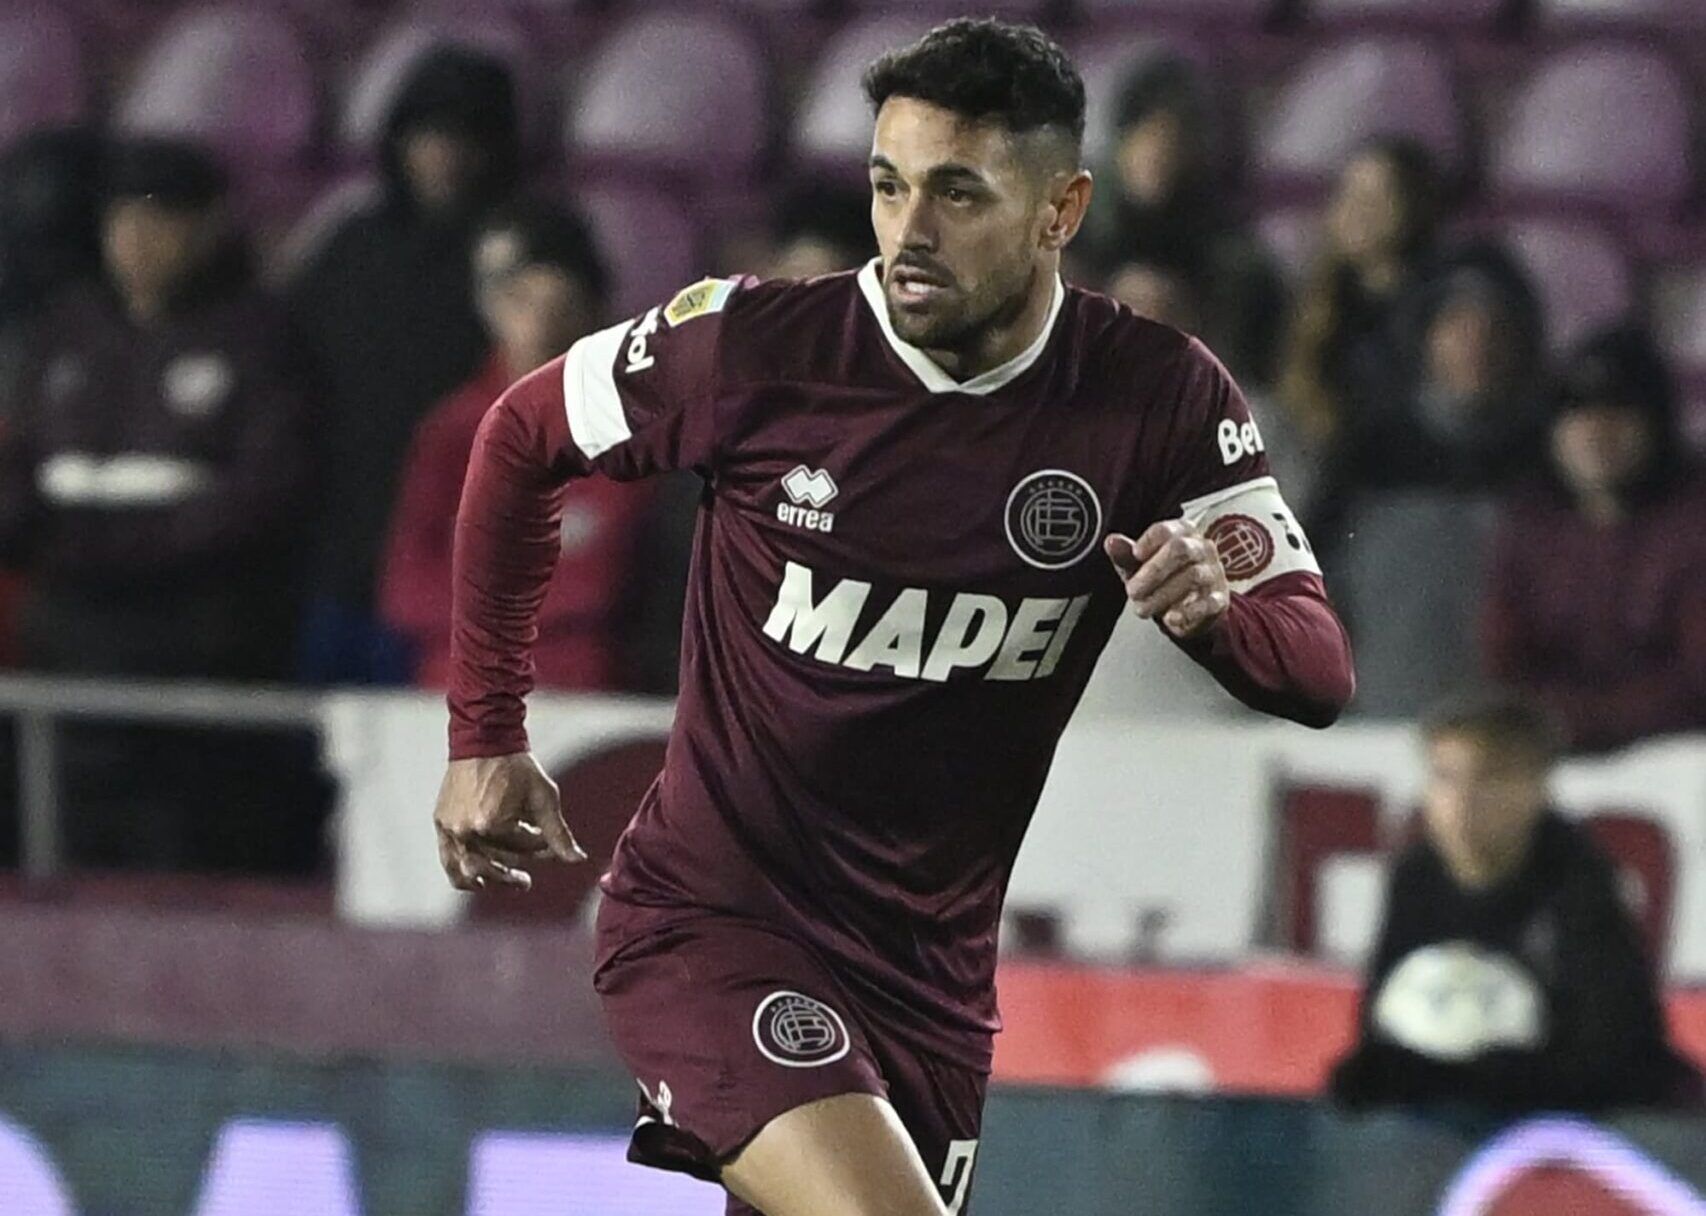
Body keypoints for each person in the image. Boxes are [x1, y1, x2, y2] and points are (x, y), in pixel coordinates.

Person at [432, 20, 1354, 1216]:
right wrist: (485, 733)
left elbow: (1317, 668)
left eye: (957, 194)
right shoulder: (756, 346)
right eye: (887, 184)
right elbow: (521, 434)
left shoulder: (1157, 396)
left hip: (928, 982)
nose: (909, 231)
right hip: (717, 922)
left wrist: (1220, 619)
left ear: (1059, 210)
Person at [0, 138, 321, 870]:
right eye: (122, 219)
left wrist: (105, 547)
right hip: (69, 658)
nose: (136, 240)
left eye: (159, 218)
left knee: (188, 865)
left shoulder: (262, 340)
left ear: (209, 225)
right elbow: (18, 470)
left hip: (200, 663)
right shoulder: (65, 332)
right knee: (62, 862)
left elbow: (265, 496)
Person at [1330, 693, 1703, 1113]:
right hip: (1443, 1125)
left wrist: (1478, 1077)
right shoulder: (1415, 880)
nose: (1463, 802)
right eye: (1445, 777)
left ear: (1535, 787)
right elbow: (1379, 1019)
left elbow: (1611, 1054)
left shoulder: (1578, 886)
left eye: (1488, 778)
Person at [290, 46, 522, 681]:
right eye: (429, 134)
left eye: (467, 136)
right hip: (336, 561)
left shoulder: (517, 256)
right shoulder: (349, 248)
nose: (445, 155)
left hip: (448, 575)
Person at [380, 201, 666, 690]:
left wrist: (483, 595)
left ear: (593, 312)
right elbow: (404, 591)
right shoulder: (451, 429)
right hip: (453, 694)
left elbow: (607, 582)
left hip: (581, 699)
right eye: (521, 303)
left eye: (558, 306)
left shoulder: (634, 429)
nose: (538, 326)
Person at [1482, 326, 1706, 752]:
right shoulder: (1530, 523)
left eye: (1618, 411)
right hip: (1545, 759)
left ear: (1656, 424)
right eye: (1577, 412)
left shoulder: (1694, 521)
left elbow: (1696, 680)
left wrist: (1574, 723)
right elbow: (1505, 663)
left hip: (1680, 767)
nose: (1595, 431)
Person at [1077, 53, 1285, 389]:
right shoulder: (1076, 222)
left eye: (1173, 142)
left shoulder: (1222, 242)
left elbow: (1246, 343)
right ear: (1122, 139)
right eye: (1147, 138)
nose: (1158, 154)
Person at [1278, 137, 1443, 452]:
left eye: (1379, 196)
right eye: (1348, 193)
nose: (1358, 210)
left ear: (1416, 206)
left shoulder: (1442, 304)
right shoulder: (1311, 302)